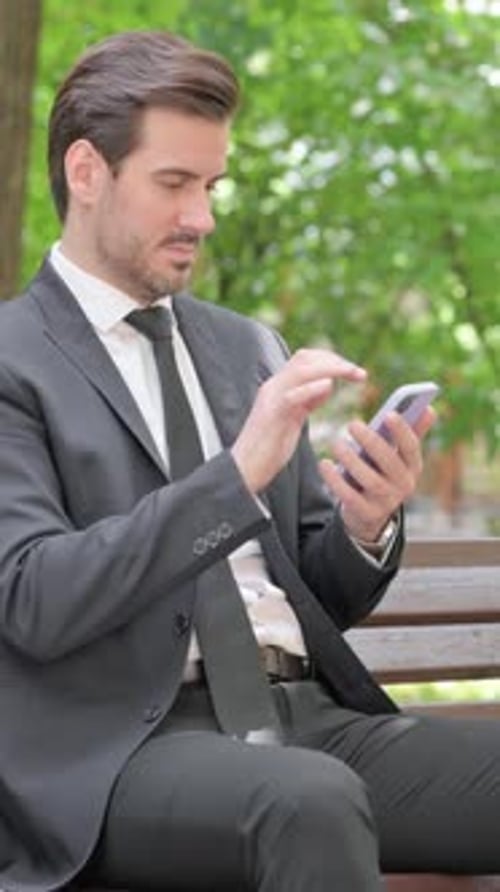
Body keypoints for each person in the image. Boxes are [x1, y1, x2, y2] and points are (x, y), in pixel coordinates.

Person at [0, 29, 498, 892]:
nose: (203, 215)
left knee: (328, 786)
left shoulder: (244, 348)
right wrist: (234, 478)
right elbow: (36, 598)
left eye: (212, 185)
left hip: (303, 715)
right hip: (124, 749)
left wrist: (363, 523)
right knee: (306, 802)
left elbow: (321, 594)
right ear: (87, 173)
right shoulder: (13, 361)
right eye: (174, 184)